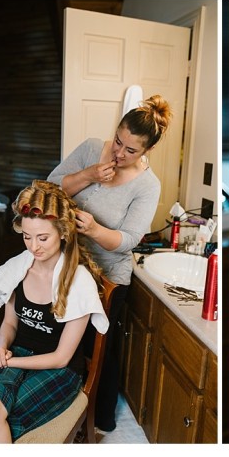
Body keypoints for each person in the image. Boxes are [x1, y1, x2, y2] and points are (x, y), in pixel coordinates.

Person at [47, 94, 171, 432]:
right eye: (118, 141)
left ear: (146, 151)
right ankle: (59, 411)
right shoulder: (90, 149)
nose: (119, 153)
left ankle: (99, 418)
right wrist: (87, 174)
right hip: (68, 264)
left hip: (109, 276)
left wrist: (96, 230)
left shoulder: (147, 186)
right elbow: (50, 188)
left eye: (130, 150)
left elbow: (129, 241)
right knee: (60, 337)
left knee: (98, 346)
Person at [0, 180, 109, 443]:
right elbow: (10, 324)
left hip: (59, 372)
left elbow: (61, 358)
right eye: (27, 237)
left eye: (43, 237)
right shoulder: (19, 268)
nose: (33, 247)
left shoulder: (78, 281)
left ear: (63, 232)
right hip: (18, 356)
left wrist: (2, 362)